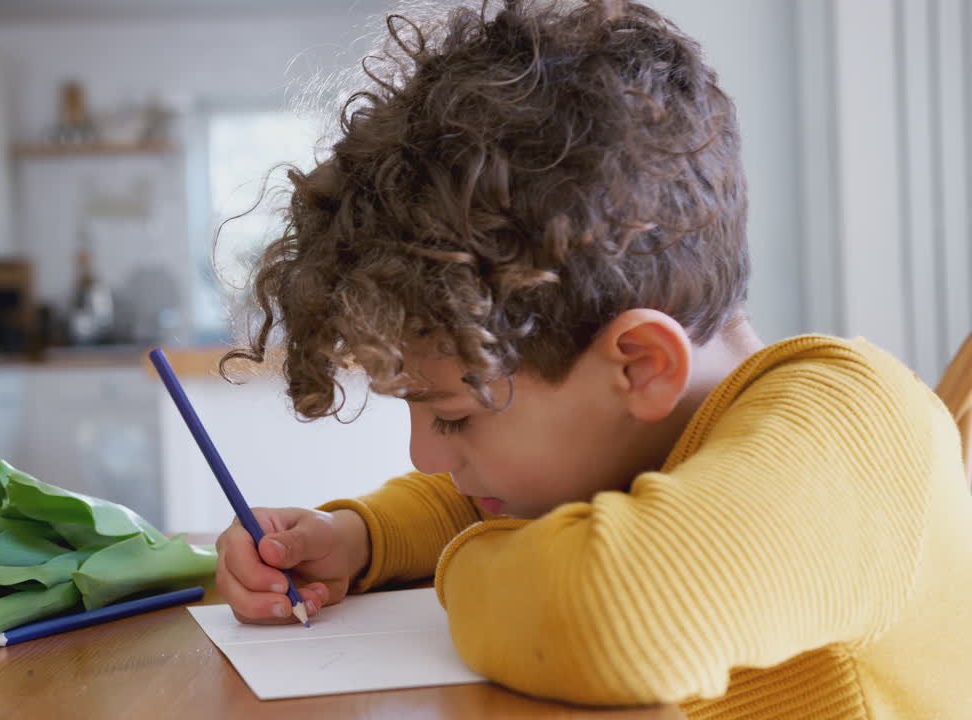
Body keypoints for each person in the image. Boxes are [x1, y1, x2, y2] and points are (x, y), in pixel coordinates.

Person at [212, 1, 972, 716]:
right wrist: (361, 538)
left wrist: (462, 563)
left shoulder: (855, 425)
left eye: (453, 416)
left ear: (639, 366)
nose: (424, 454)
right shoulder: (637, 437)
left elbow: (603, 614)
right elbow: (485, 503)